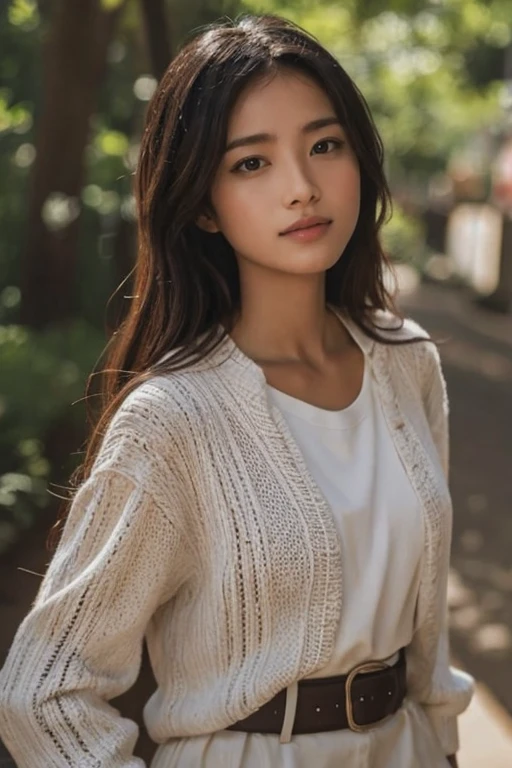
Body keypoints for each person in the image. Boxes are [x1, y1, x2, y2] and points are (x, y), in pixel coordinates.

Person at [0, 13, 474, 768]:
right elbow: (45, 690)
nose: (302, 188)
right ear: (201, 204)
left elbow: (428, 635)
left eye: (325, 146)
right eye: (252, 163)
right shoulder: (172, 419)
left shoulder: (407, 366)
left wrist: (444, 744)